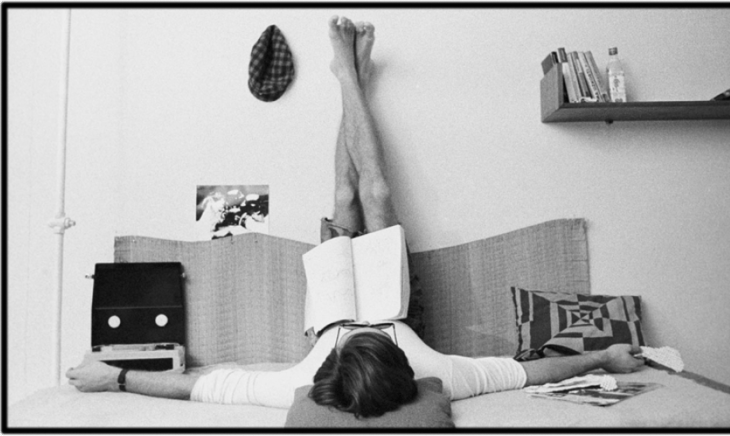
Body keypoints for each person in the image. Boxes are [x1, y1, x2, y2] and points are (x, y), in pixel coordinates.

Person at [66, 15, 645, 419]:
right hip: (392, 303)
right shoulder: (435, 368)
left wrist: (113, 377)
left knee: (345, 195)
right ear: (400, 363)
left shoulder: (299, 382)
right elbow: (527, 372)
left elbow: (199, 387)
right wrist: (604, 356)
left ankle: (350, 75)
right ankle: (350, 75)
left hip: (331, 310)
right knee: (378, 189)